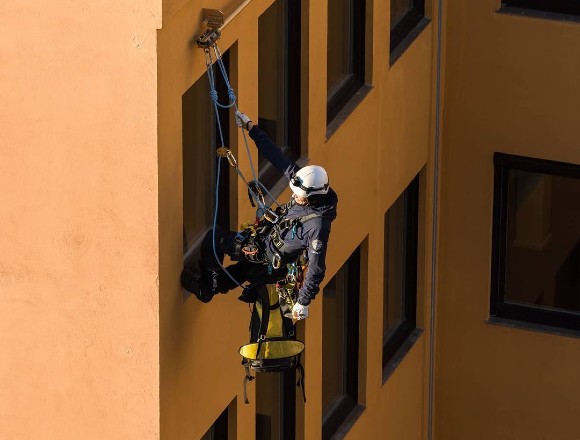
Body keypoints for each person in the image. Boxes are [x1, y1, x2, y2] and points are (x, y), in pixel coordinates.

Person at [181, 110, 338, 320]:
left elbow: (317, 268)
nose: (294, 196)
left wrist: (303, 301)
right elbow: (277, 157)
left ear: (313, 196)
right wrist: (251, 128)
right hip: (265, 239)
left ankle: (207, 288)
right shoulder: (306, 182)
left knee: (215, 241)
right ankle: (209, 285)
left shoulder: (317, 226)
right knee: (240, 270)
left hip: (269, 256)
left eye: (299, 196)